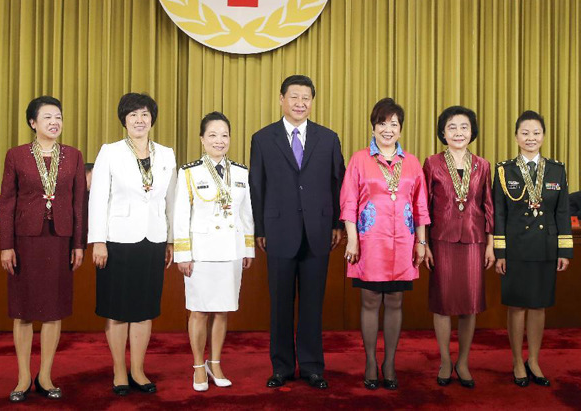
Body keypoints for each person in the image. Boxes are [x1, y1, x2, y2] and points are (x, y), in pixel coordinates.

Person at [249, 75, 345, 390]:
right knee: (280, 305)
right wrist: (259, 229)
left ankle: (313, 367)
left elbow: (337, 184)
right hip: (277, 232)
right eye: (294, 97)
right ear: (281, 99)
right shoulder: (262, 139)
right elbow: (257, 187)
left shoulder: (328, 138)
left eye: (306, 97)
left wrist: (337, 224)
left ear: (312, 102)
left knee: (312, 304)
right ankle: (282, 367)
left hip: (318, 231)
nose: (300, 103)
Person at [88, 93, 176, 396]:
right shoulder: (110, 152)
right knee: (118, 310)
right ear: (124, 120)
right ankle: (118, 370)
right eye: (133, 115)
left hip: (153, 239)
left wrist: (172, 240)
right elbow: (97, 199)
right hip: (117, 241)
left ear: (152, 118)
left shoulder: (166, 154)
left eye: (145, 114)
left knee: (144, 309)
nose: (140, 120)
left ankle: (138, 369)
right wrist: (98, 241)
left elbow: (171, 201)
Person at [0, 96, 86, 402]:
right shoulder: (17, 156)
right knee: (22, 311)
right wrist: (6, 246)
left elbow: (79, 204)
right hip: (25, 241)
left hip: (60, 239)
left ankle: (46, 375)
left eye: (58, 117)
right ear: (33, 123)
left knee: (53, 310)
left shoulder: (73, 156)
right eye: (47, 117)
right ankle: (23, 376)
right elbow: (7, 202)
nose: (54, 122)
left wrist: (78, 244)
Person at [341, 98, 430, 390]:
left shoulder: (413, 162)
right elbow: (349, 201)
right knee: (369, 300)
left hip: (403, 243)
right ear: (374, 126)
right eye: (382, 123)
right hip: (369, 242)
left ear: (401, 129)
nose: (388, 129)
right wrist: (352, 239)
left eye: (394, 124)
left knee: (395, 301)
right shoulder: (359, 159)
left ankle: (389, 362)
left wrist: (421, 242)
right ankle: (369, 360)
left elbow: (420, 205)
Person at [174, 112, 255, 392]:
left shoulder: (242, 173)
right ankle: (198, 365)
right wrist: (182, 254)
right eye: (213, 135)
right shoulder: (189, 173)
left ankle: (215, 361)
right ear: (202, 139)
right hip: (201, 252)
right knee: (198, 311)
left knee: (222, 311)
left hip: (230, 251)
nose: (219, 141)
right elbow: (180, 215)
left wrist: (248, 249)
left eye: (224, 135)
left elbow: (246, 215)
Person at [494, 110, 573, 387]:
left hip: (545, 247)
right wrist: (500, 253)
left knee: (539, 306)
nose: (531, 138)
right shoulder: (505, 170)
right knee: (516, 306)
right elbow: (499, 215)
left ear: (543, 136)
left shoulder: (556, 169)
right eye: (525, 133)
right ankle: (517, 360)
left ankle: (534, 360)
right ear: (516, 136)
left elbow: (562, 212)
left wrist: (564, 250)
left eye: (536, 133)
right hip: (516, 247)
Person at [423, 106, 494, 388]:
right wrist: (423, 243)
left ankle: (463, 362)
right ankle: (444, 360)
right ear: (443, 132)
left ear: (472, 132)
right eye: (452, 127)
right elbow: (424, 208)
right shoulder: (432, 163)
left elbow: (488, 207)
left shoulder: (483, 165)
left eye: (464, 127)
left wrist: (490, 245)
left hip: (475, 241)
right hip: (442, 241)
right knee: (442, 305)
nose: (458, 132)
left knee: (470, 305)